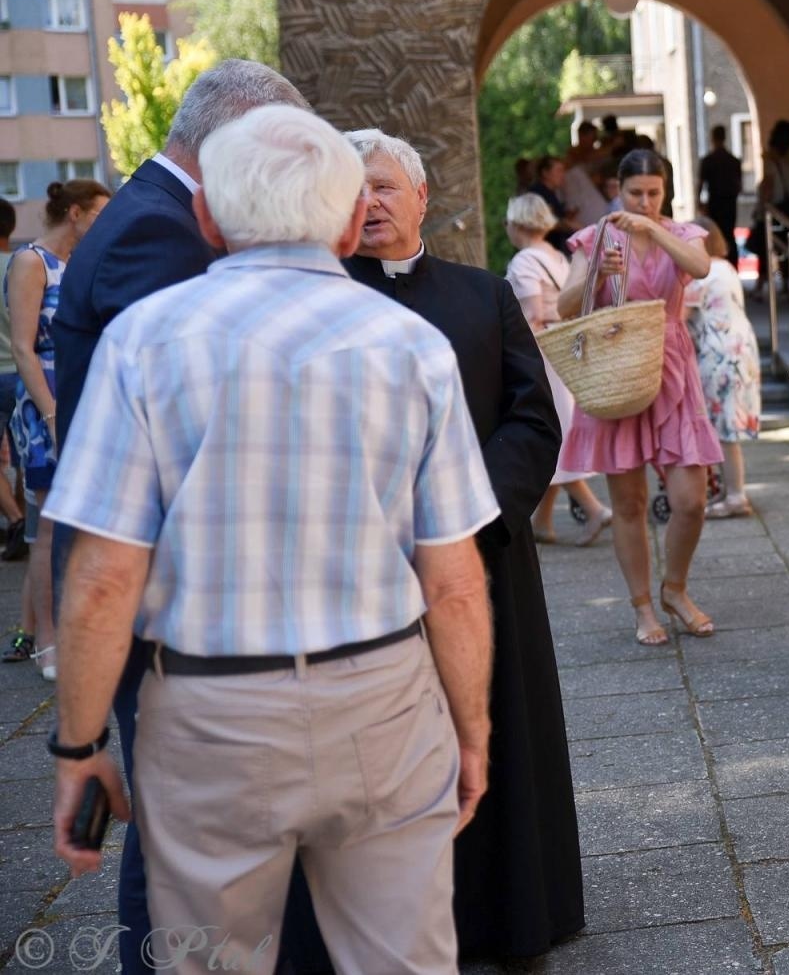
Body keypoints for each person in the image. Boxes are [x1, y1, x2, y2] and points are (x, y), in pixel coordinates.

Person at [46, 104, 500, 974]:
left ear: (208, 215)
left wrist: (81, 744)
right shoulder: (412, 344)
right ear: (340, 219)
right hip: (386, 702)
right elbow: (454, 580)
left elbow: (102, 578)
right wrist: (471, 729)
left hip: (212, 717)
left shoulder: (143, 341)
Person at [278, 128, 579, 967]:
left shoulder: (483, 295)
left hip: (479, 555)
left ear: (420, 197)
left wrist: (466, 511)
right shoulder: (318, 298)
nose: (369, 203)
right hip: (360, 570)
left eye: (382, 187)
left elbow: (532, 415)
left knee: (494, 731)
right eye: (353, 191)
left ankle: (507, 916)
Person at [48, 58, 308, 975]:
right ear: (234, 140)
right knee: (175, 831)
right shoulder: (154, 234)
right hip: (162, 582)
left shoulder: (157, 216)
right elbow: (190, 413)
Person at [556, 148, 723, 646]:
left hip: (671, 367)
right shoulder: (593, 240)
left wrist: (652, 231)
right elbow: (565, 308)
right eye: (635, 194)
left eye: (654, 193)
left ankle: (675, 589)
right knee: (628, 503)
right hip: (616, 369)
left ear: (666, 191)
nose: (645, 201)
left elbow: (702, 266)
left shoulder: (682, 233)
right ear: (617, 190)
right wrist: (598, 274)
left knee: (690, 500)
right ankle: (643, 607)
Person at [3, 179, 109, 681]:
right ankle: (48, 641)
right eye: (98, 215)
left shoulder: (74, 263)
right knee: (50, 527)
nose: (103, 225)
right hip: (45, 401)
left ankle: (45, 628)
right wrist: (49, 415)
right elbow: (23, 347)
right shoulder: (31, 262)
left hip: (77, 394)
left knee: (63, 525)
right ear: (74, 213)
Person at [504, 191, 614, 545]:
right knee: (560, 429)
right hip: (566, 348)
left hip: (543, 353)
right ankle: (543, 522)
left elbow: (532, 315)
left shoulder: (523, 262)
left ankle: (594, 509)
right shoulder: (555, 256)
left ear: (517, 224)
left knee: (552, 435)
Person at [685, 217, 760, 518]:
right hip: (741, 347)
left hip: (718, 352)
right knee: (729, 424)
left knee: (725, 429)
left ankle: (735, 495)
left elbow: (679, 315)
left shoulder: (700, 275)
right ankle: (731, 491)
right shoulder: (726, 267)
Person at [0, 196, 22, 563]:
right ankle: (25, 524)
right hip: (21, 373)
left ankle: (16, 520)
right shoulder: (23, 264)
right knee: (24, 457)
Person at [698, 125, 743, 262]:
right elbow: (739, 185)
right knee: (729, 235)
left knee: (714, 234)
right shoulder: (733, 161)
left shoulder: (708, 160)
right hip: (729, 203)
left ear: (713, 138)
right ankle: (733, 266)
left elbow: (700, 183)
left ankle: (716, 262)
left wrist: (698, 201)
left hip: (715, 202)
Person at [531, 156, 579, 252]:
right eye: (558, 170)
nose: (562, 175)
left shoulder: (551, 192)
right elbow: (548, 220)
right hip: (546, 249)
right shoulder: (539, 193)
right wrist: (574, 227)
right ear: (545, 173)